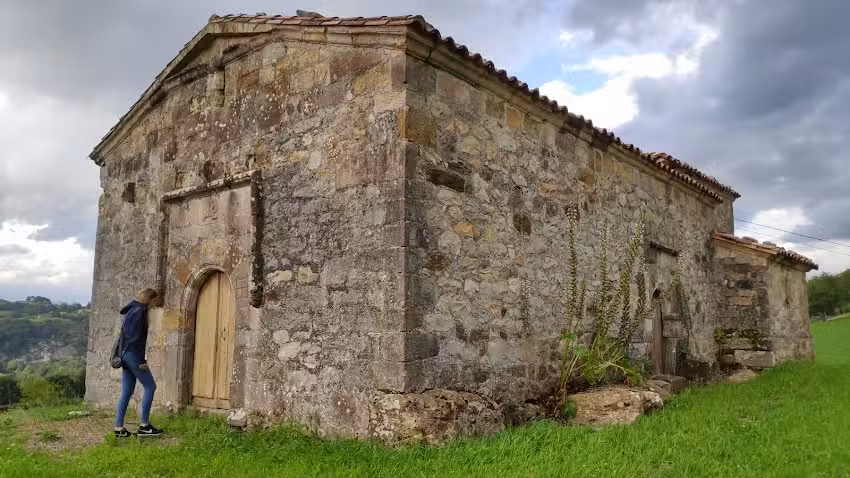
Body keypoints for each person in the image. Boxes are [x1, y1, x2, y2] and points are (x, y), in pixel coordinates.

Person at [114, 288, 163, 438]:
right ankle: (144, 426)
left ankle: (119, 428)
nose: (155, 305)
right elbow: (135, 338)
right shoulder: (140, 312)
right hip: (133, 354)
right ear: (150, 299)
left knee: (127, 390)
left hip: (124, 354)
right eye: (154, 301)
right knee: (150, 386)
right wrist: (141, 360)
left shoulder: (130, 310)